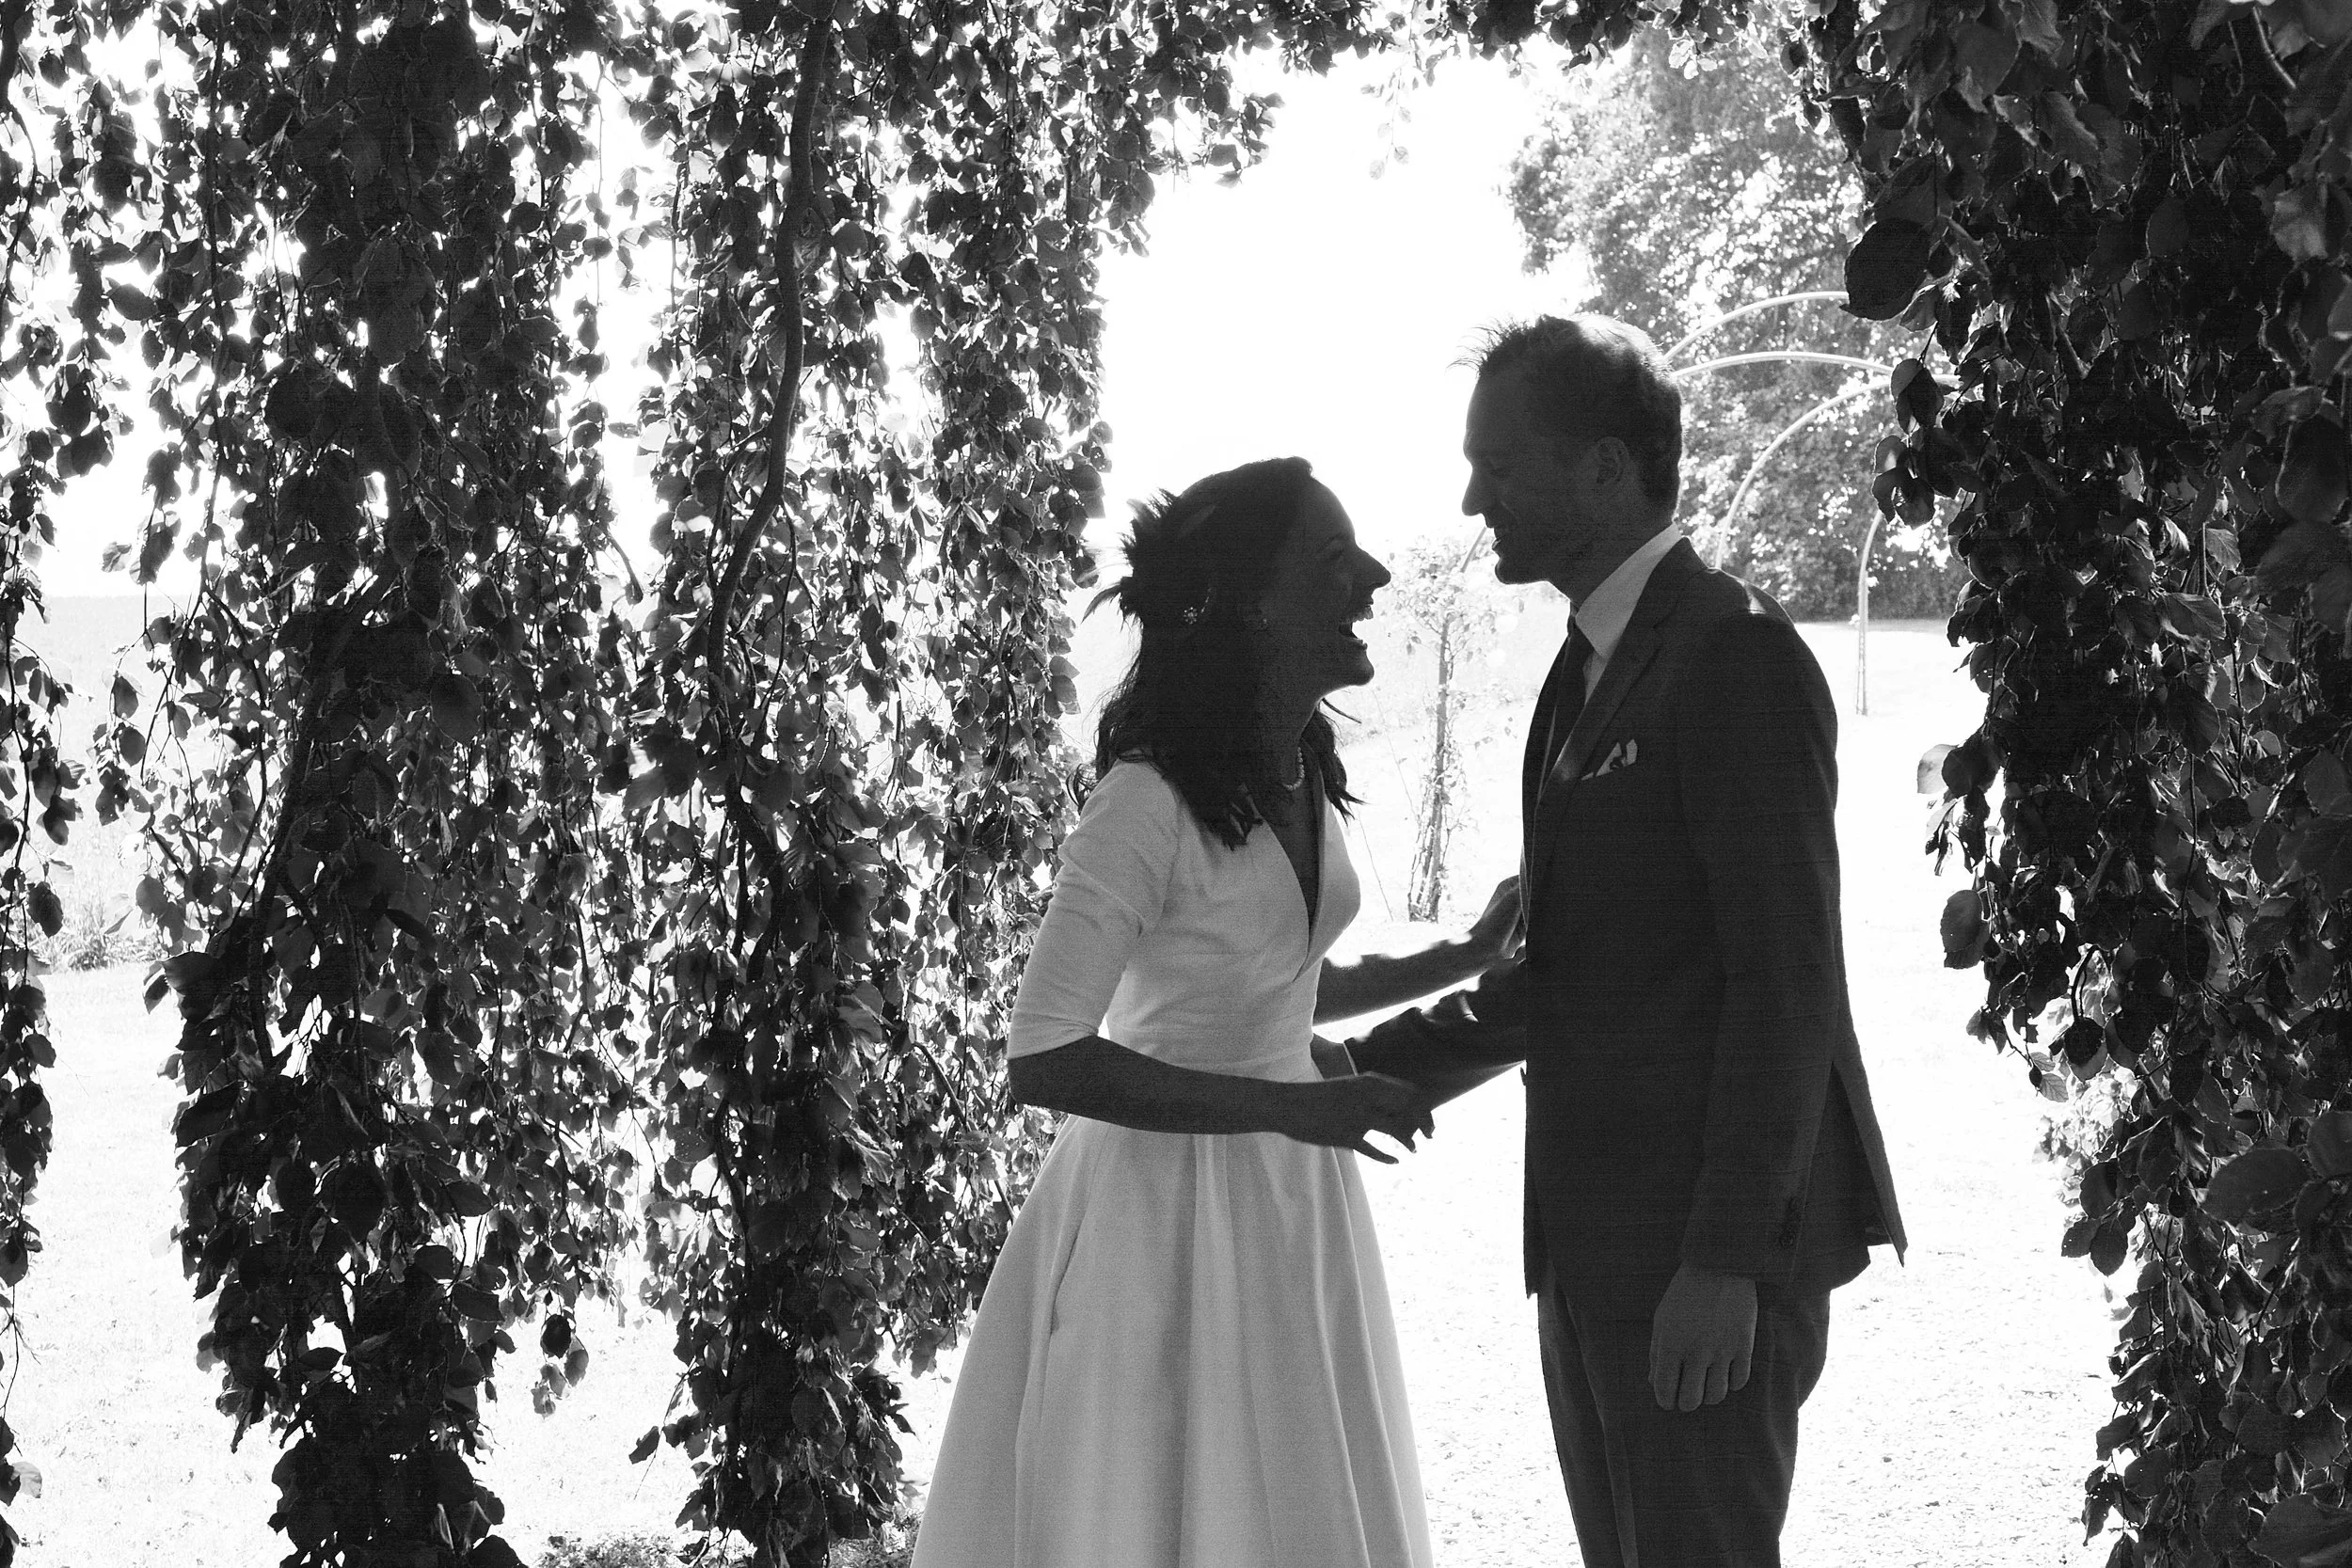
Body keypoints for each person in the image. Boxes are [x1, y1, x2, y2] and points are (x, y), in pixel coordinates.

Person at [1344, 315, 1908, 1568]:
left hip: (1698, 1252)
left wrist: (1722, 1260)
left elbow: (1787, 980)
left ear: (1605, 468)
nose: (1471, 496)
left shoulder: (1735, 654)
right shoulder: (1584, 666)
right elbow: (1582, 967)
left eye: (1500, 463)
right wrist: (1370, 1066)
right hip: (1594, 1235)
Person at [911, 456, 1522, 1568]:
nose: (1375, 576)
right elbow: (1041, 1054)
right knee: (1164, 1504)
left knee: (1291, 1485)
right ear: (1252, 601)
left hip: (1293, 1197)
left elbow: (1263, 984)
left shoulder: (1297, 765)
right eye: (1335, 562)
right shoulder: (1143, 802)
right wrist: (1287, 1109)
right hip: (1159, 1211)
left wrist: (1464, 953)